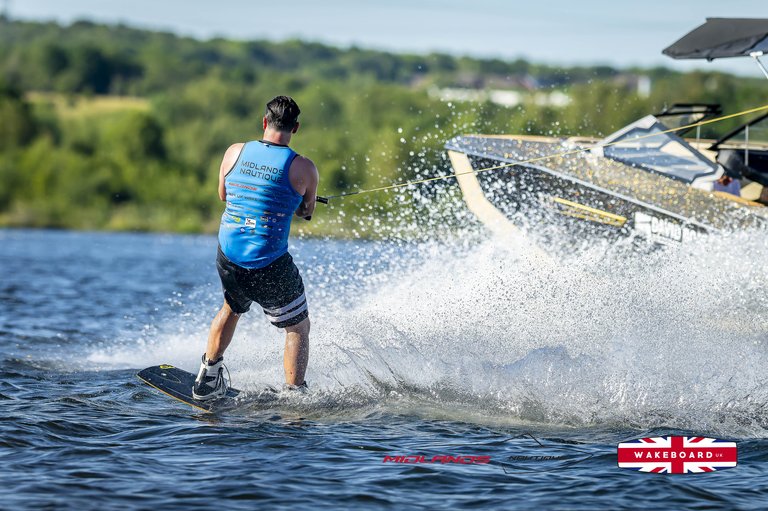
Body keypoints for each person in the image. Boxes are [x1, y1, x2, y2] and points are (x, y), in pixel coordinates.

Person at [193, 95, 319, 400]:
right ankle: (294, 393)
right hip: (268, 263)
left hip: (229, 255)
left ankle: (208, 377)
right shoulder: (303, 167)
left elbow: (223, 194)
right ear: (296, 128)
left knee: (232, 307)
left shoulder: (234, 151)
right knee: (297, 327)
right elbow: (306, 212)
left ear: (264, 122)